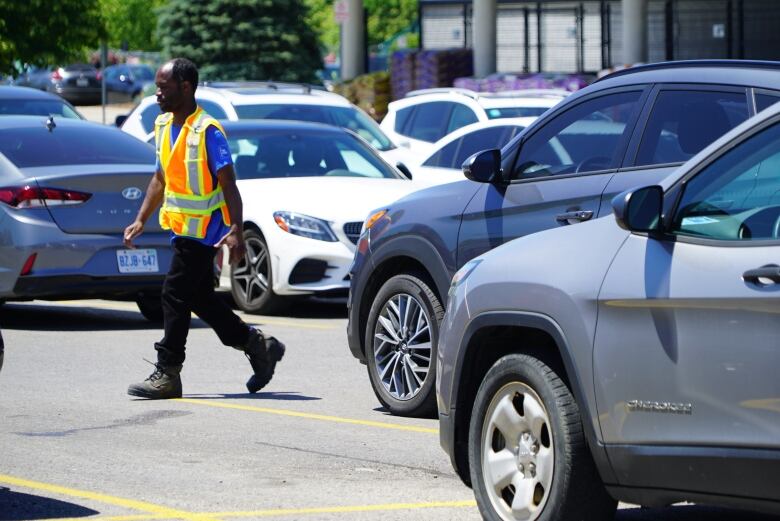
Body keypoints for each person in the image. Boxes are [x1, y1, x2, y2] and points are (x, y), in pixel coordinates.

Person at [123, 58, 284, 399]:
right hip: (181, 228)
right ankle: (258, 345)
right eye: (157, 87)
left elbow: (229, 185)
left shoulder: (208, 131)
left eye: (163, 87)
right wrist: (140, 218)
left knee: (173, 292)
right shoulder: (163, 125)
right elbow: (160, 178)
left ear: (185, 87)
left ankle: (168, 371)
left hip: (206, 231)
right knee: (198, 297)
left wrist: (237, 230)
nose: (157, 94)